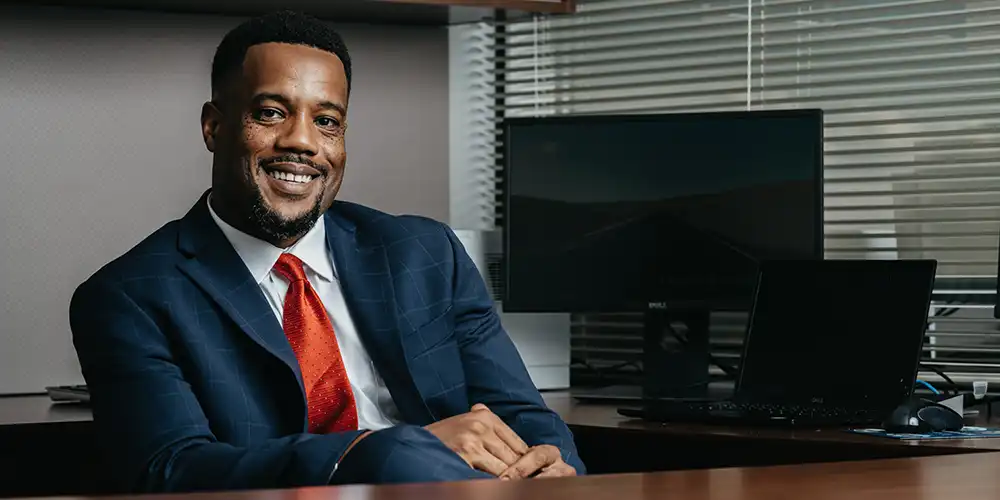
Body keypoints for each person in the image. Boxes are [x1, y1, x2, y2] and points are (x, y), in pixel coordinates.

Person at [69, 10, 583, 494]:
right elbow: (171, 470)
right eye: (270, 113)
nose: (303, 142)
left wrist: (556, 467)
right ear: (214, 126)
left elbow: (525, 416)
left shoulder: (426, 254)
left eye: (328, 121)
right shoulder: (129, 297)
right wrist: (379, 450)